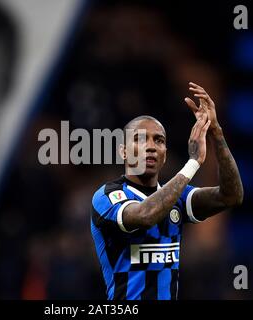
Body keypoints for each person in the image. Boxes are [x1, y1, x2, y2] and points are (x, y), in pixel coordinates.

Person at [90, 82, 244, 300]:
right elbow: (145, 215)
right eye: (140, 139)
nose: (151, 146)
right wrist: (193, 163)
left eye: (159, 140)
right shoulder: (106, 197)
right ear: (123, 151)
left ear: (165, 153)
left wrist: (216, 133)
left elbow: (232, 196)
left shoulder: (178, 196)